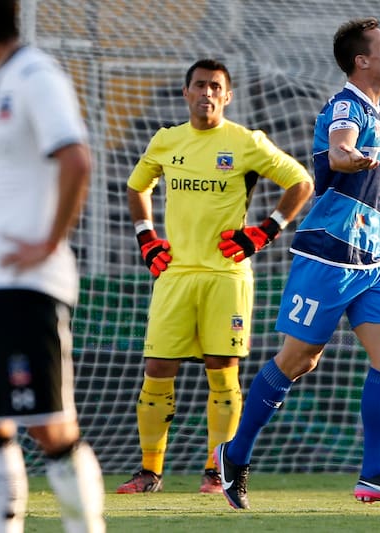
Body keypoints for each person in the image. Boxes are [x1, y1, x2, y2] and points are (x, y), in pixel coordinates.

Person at [214, 17, 380, 510]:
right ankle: (234, 454)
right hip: (327, 253)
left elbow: (374, 168)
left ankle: (374, 476)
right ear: (361, 60)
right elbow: (342, 152)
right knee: (299, 360)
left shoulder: (379, 114)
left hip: (373, 258)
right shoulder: (347, 105)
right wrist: (348, 156)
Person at [0, 1, 104, 531]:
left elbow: (76, 159)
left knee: (50, 428)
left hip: (29, 284)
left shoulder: (38, 76)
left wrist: (48, 242)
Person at [117, 58, 314, 495]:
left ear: (227, 96)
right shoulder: (167, 141)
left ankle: (215, 471)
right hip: (175, 273)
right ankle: (150, 473)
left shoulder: (245, 142)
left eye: (215, 87)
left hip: (227, 275)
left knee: (221, 368)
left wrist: (265, 231)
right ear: (186, 93)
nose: (207, 93)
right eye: (200, 85)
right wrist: (147, 237)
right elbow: (137, 187)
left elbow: (301, 182)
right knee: (157, 367)